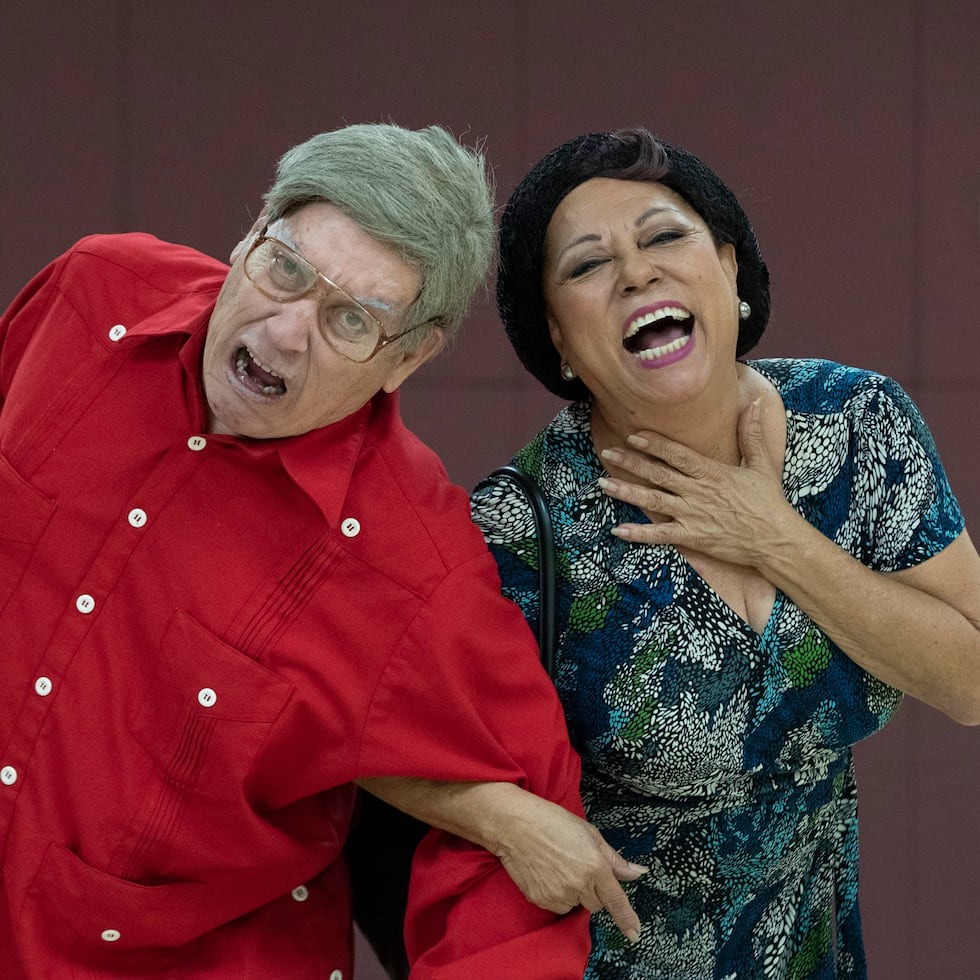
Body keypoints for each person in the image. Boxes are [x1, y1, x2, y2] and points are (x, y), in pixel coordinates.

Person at [0, 122, 609, 979]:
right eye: (285, 268)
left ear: (409, 357)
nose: (285, 333)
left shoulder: (414, 568)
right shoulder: (94, 295)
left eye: (350, 318)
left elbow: (528, 865)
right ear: (254, 230)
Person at [467, 128, 980, 978]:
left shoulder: (856, 424)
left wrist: (774, 538)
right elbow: (377, 746)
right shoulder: (519, 530)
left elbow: (971, 680)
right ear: (556, 338)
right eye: (588, 265)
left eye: (665, 235)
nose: (637, 272)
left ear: (730, 268)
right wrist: (502, 819)